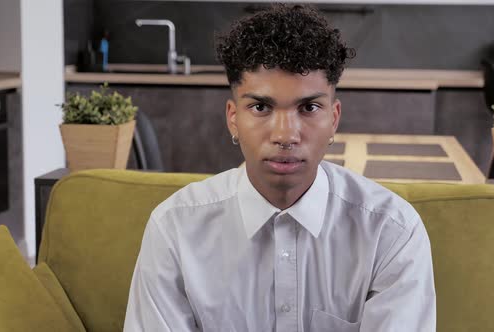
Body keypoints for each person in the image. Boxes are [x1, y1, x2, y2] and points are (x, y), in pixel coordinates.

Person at [124, 4, 435, 331]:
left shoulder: (391, 232)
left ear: (334, 119)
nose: (286, 135)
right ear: (233, 118)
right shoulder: (174, 230)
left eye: (309, 107)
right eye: (260, 106)